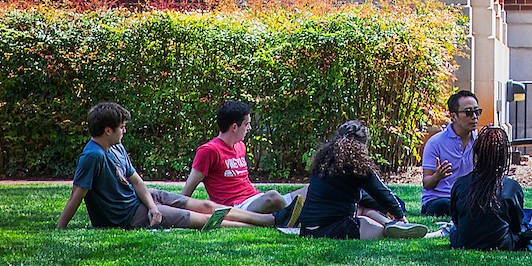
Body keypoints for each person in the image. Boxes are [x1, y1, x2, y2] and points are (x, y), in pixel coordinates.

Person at [55, 102, 220, 232]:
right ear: (108, 130)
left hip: (141, 198)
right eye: (121, 127)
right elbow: (76, 196)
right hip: (128, 215)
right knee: (204, 219)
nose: (124, 131)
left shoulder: (116, 147)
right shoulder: (92, 156)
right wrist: (60, 229)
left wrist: (152, 206)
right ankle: (239, 227)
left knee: (206, 206)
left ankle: (238, 214)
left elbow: (137, 181)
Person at [298, 121, 432, 240]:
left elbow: (364, 197)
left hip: (307, 229)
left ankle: (391, 224)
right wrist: (399, 215)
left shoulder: (325, 161)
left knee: (363, 209)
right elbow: (381, 192)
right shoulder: (357, 164)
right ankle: (397, 227)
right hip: (333, 229)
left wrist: (385, 209)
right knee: (381, 231)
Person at [180, 99, 302, 227]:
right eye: (247, 124)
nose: (249, 128)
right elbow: (188, 189)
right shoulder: (209, 151)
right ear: (234, 127)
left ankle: (290, 213)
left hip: (255, 199)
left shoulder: (240, 146)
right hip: (237, 208)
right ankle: (290, 213)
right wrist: (177, 211)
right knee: (274, 197)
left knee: (307, 191)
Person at [419, 90, 481, 218]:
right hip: (440, 199)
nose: (474, 116)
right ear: (453, 116)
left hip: (468, 198)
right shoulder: (435, 143)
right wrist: (437, 176)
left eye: (477, 111)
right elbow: (427, 184)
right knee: (445, 206)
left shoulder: (479, 143)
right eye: (468, 112)